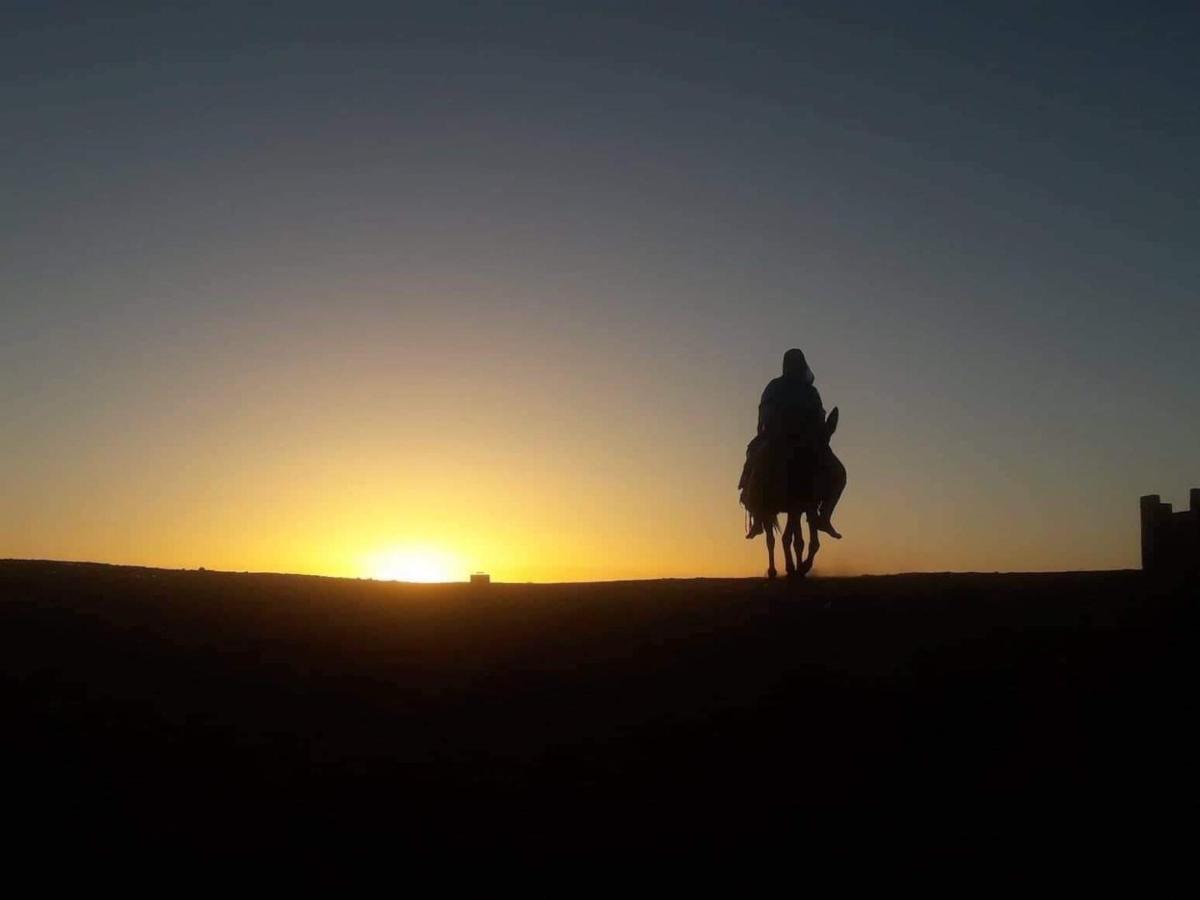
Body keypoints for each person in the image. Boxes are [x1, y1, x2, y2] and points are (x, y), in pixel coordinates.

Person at [739, 348, 843, 539]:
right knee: (755, 463)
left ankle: (824, 516)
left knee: (838, 473)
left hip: (807, 440)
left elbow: (818, 415)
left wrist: (822, 429)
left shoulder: (810, 391)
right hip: (778, 438)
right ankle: (758, 516)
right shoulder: (775, 386)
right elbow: (765, 413)